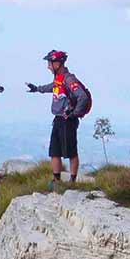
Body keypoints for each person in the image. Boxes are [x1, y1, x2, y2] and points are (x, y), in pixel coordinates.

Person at [26, 50, 91, 186]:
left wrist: (74, 114)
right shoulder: (59, 79)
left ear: (57, 63)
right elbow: (52, 87)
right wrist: (37, 89)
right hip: (58, 119)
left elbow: (82, 97)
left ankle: (72, 182)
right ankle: (56, 180)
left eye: (49, 63)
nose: (48, 66)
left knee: (71, 151)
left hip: (68, 120)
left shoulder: (69, 79)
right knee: (54, 151)